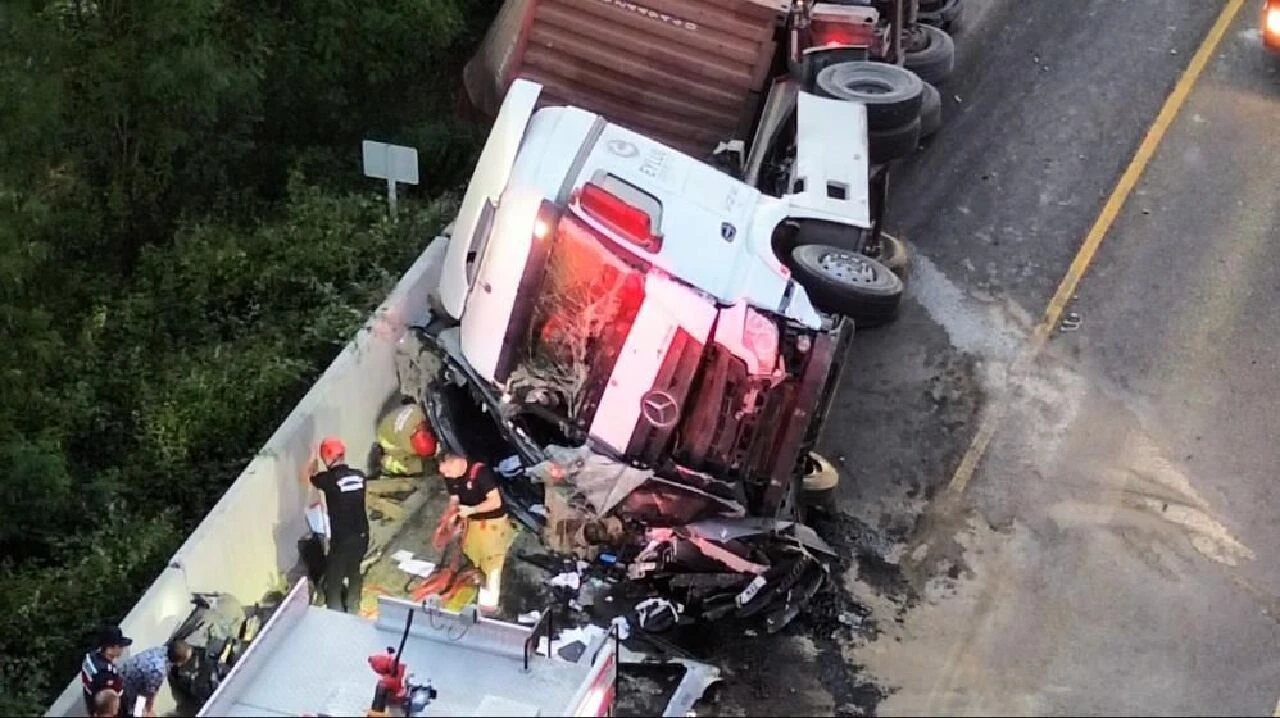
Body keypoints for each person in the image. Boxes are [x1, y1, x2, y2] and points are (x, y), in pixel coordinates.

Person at [436, 453, 516, 614]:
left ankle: (488, 607)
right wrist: (450, 517)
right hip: (471, 521)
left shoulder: (480, 473)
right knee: (471, 553)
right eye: (444, 473)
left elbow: (495, 502)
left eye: (448, 472)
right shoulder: (451, 475)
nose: (446, 476)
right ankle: (475, 582)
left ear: (457, 462)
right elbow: (454, 498)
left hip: (492, 521)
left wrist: (472, 510)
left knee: (491, 563)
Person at [305, 436, 370, 613]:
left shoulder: (329, 480)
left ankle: (337, 616)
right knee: (354, 570)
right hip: (362, 535)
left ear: (327, 458)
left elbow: (311, 477)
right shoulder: (360, 476)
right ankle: (354, 607)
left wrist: (312, 458)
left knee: (334, 579)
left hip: (342, 540)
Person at [118, 638, 192, 718]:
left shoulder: (159, 650)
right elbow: (149, 695)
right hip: (126, 691)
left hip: (123, 676)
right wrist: (148, 711)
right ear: (180, 662)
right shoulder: (158, 670)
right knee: (139, 713)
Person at [375, 396, 438, 477]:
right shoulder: (407, 445)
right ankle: (382, 461)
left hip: (388, 424)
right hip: (386, 440)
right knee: (409, 467)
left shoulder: (419, 413)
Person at [80, 626, 130, 715]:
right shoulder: (105, 674)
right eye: (120, 646)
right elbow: (109, 705)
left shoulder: (91, 659)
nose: (122, 649)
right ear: (110, 648)